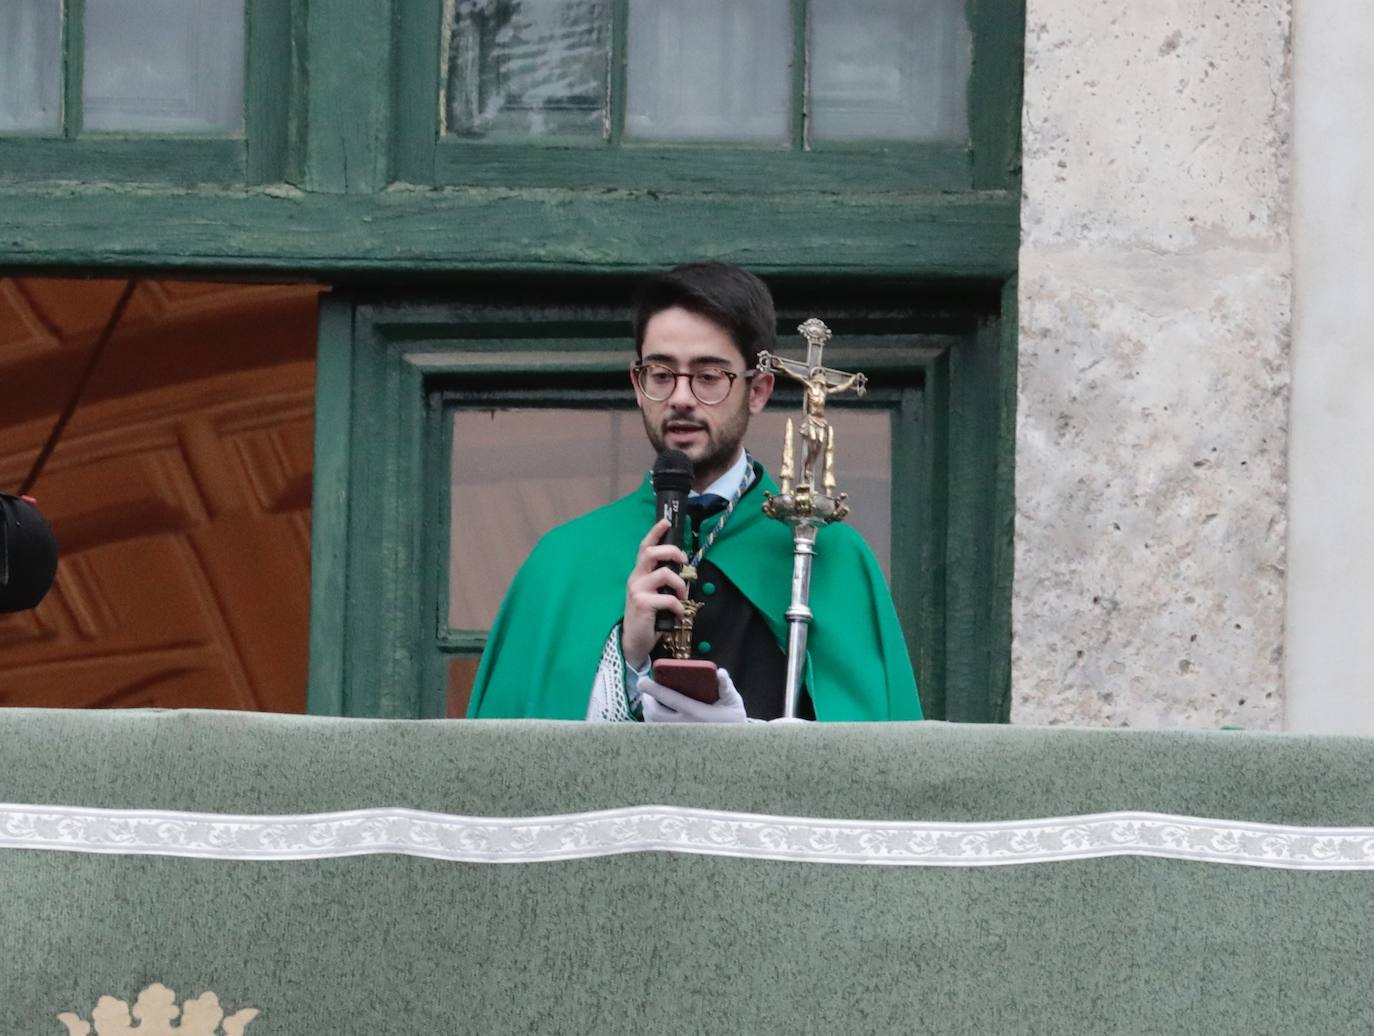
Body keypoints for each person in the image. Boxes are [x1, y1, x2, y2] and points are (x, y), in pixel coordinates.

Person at [465, 262, 920, 723]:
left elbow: (877, 766)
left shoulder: (828, 554)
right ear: (637, 386)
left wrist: (756, 745)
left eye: (708, 376)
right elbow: (511, 765)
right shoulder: (564, 561)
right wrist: (626, 662)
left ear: (758, 391)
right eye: (661, 374)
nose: (681, 398)